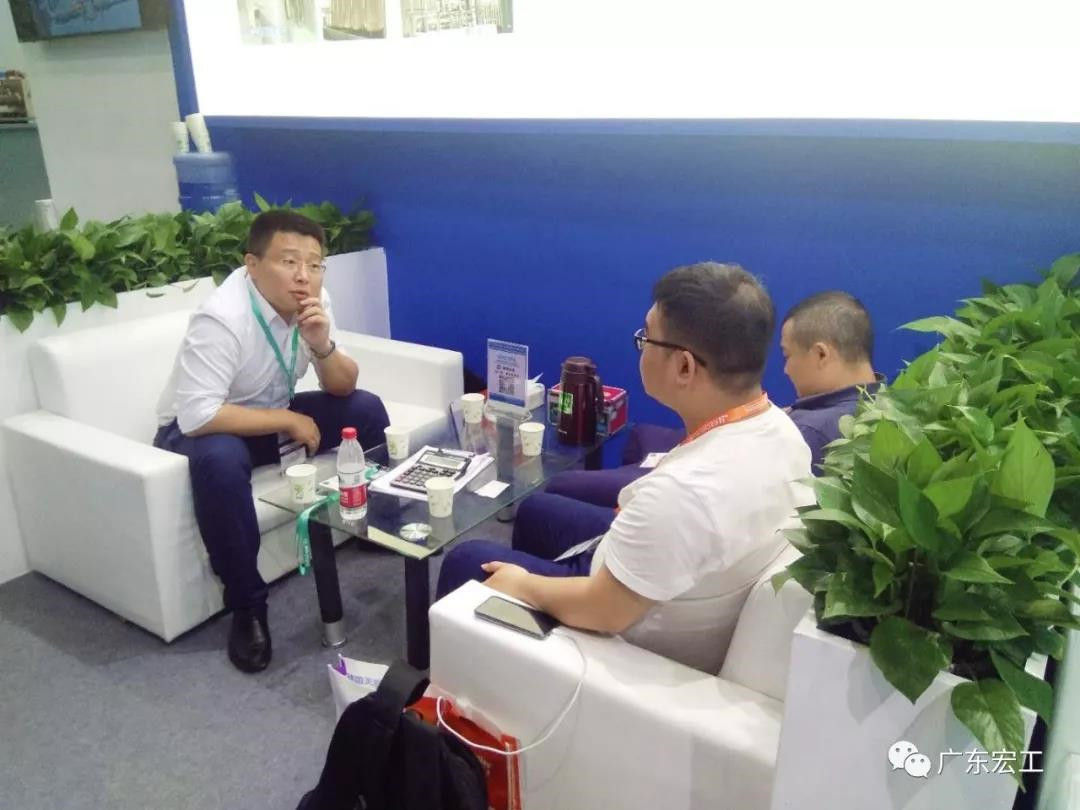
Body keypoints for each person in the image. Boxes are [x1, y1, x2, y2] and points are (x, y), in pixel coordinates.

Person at [436, 262, 813, 673]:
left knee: (466, 561)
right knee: (535, 510)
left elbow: (605, 611)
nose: (641, 346)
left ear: (684, 367)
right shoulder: (781, 431)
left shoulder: (680, 496)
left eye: (646, 338)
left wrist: (524, 584)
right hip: (647, 577)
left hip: (617, 627)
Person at [154, 210, 389, 673]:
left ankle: (376, 523)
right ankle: (247, 606)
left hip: (269, 414)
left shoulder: (313, 300)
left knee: (364, 409)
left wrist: (321, 344)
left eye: (315, 264)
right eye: (289, 261)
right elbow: (198, 414)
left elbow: (343, 384)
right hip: (201, 429)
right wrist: (287, 419)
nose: (304, 276)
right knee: (222, 461)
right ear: (252, 264)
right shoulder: (222, 317)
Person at [540, 289, 881, 510]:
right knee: (642, 434)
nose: (786, 369)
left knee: (556, 488)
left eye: (788, 355)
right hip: (725, 445)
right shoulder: (877, 403)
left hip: (710, 476)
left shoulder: (810, 434)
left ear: (821, 354)